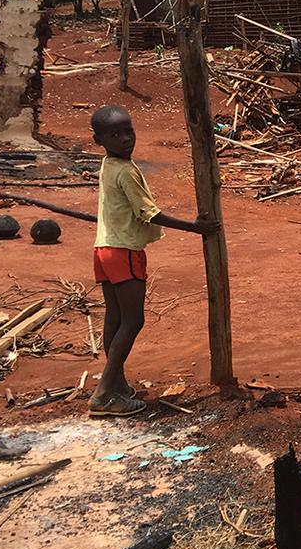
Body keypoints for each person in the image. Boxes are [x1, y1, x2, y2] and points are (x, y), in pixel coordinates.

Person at [89, 104, 220, 416]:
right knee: (133, 320)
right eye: (115, 135)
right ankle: (105, 392)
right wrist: (195, 227)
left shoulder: (110, 164)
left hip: (103, 248)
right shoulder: (126, 172)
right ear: (100, 140)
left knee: (115, 319)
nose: (125, 139)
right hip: (124, 251)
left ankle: (117, 384)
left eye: (128, 131)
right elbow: (148, 213)